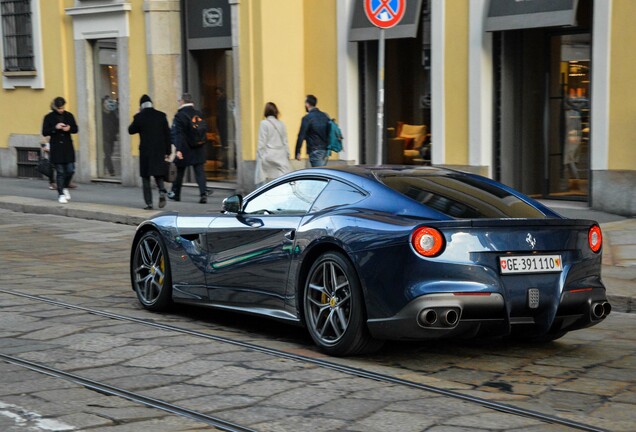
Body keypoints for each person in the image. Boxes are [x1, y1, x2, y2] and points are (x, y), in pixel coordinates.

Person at [128, 94, 172, 210]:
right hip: (159, 150)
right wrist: (168, 151)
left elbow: (130, 130)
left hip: (145, 152)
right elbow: (168, 135)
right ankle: (162, 190)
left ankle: (149, 203)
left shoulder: (139, 117)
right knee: (158, 174)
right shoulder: (161, 116)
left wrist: (137, 115)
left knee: (146, 177)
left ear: (141, 106)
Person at [168, 93, 210, 204]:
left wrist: (178, 149)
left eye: (179, 101)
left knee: (179, 171)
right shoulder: (198, 113)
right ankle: (203, 194)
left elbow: (178, 134)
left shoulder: (180, 115)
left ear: (182, 101)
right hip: (199, 147)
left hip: (185, 148)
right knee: (199, 172)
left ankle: (176, 194)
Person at [41, 97, 78, 204]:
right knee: (60, 171)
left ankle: (65, 186)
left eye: (62, 108)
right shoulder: (48, 117)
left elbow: (76, 129)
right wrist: (55, 128)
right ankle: (61, 193)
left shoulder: (69, 115)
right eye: (59, 108)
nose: (61, 110)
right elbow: (44, 132)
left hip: (67, 147)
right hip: (56, 147)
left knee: (71, 169)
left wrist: (69, 128)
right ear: (55, 107)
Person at [254, 102, 292, 188]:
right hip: (281, 156)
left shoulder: (264, 123)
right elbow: (285, 141)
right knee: (281, 182)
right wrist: (287, 154)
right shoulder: (281, 124)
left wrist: (259, 157)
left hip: (268, 156)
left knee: (267, 184)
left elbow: (261, 142)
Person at [295, 94, 330, 167]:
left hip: (315, 150)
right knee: (323, 173)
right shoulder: (325, 116)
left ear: (307, 104)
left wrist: (298, 152)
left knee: (319, 174)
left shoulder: (307, 118)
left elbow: (301, 136)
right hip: (325, 151)